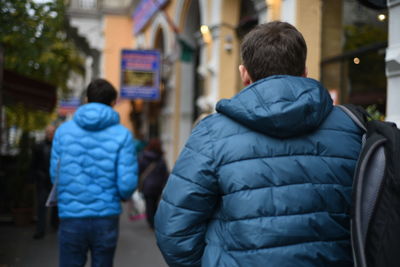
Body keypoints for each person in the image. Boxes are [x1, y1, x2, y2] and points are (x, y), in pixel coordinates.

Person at [154, 21, 363, 267]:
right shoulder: (352, 128)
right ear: (305, 71)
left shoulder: (211, 134)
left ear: (244, 74)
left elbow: (174, 230)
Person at [50, 78, 138, 267]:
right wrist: (122, 195)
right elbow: (127, 183)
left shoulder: (63, 132)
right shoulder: (122, 135)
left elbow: (54, 175)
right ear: (113, 102)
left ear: (86, 100)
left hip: (70, 216)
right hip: (106, 215)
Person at [31, 125, 58, 239]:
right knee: (42, 205)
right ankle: (40, 229)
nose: (50, 135)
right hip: (43, 180)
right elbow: (34, 164)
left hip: (55, 181)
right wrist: (35, 177)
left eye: (52, 132)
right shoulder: (39, 146)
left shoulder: (58, 146)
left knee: (55, 206)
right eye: (48, 133)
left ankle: (54, 225)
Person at [137, 138, 168, 229]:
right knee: (155, 204)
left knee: (149, 204)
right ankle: (154, 221)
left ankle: (151, 222)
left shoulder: (143, 156)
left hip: (147, 185)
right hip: (158, 186)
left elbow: (139, 170)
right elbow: (165, 173)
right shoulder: (161, 158)